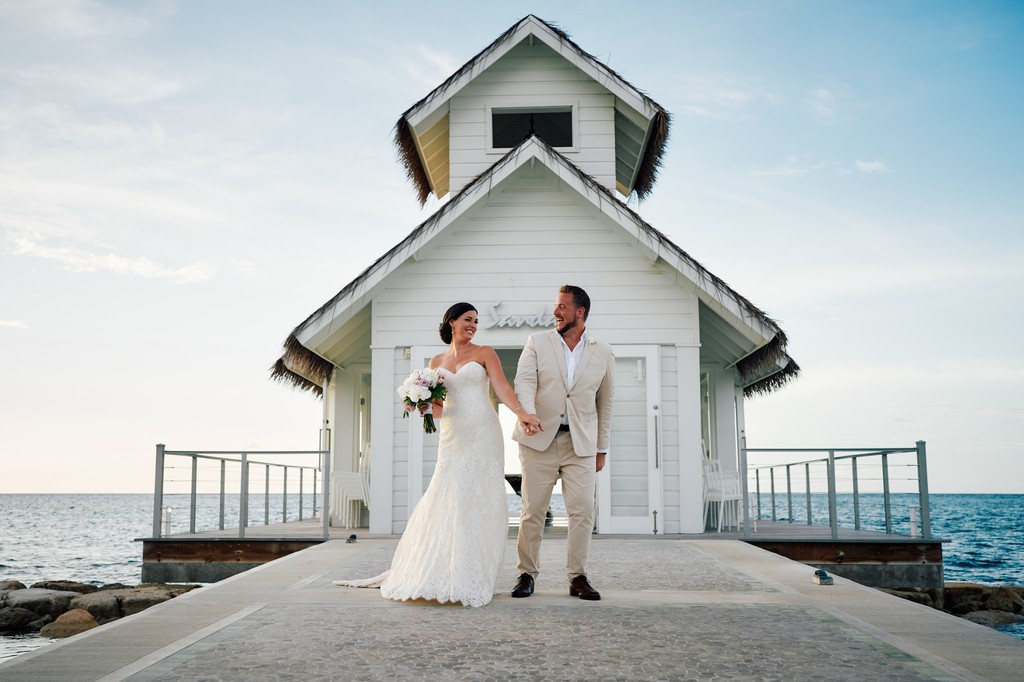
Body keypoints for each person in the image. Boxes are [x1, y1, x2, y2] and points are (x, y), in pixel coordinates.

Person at [334, 302, 540, 607]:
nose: (473, 325)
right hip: (452, 436)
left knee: (479, 498)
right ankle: (443, 568)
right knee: (447, 495)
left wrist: (521, 412)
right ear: (452, 322)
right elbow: (441, 409)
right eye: (468, 319)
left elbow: (502, 387)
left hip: (483, 432)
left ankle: (473, 571)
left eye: (476, 321)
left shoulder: (485, 353)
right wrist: (422, 404)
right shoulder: (436, 361)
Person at [510, 285, 615, 601]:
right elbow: (524, 382)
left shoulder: (603, 351)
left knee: (583, 511)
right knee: (533, 511)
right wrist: (526, 412)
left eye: (561, 306)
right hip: (538, 440)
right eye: (555, 306)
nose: (555, 311)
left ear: (579, 312)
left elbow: (606, 401)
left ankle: (578, 577)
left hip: (580, 444)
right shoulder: (537, 343)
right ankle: (526, 575)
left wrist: (601, 448)